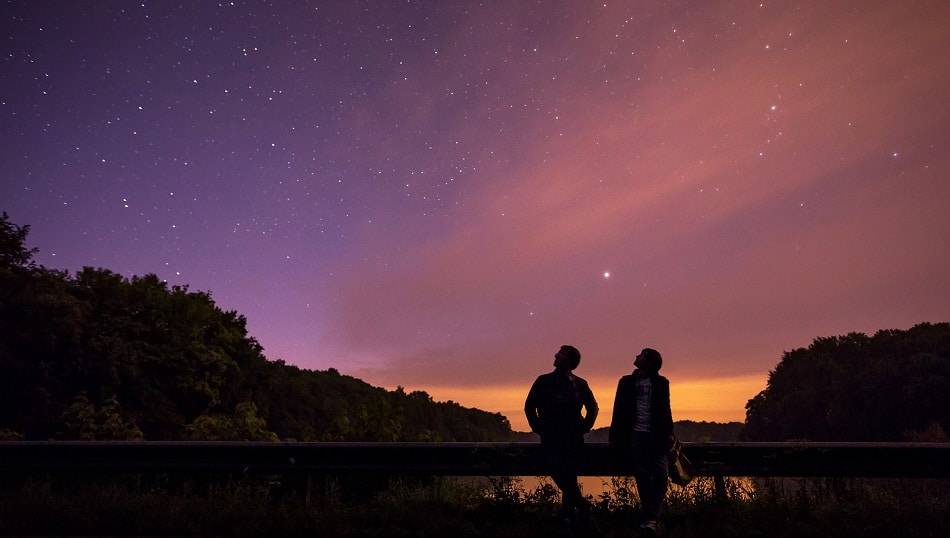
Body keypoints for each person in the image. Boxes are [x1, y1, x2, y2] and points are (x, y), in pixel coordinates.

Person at [524, 344, 599, 526]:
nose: (556, 355)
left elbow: (593, 407)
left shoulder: (580, 384)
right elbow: (529, 407)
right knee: (555, 466)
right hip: (550, 435)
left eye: (562, 353)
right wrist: (538, 427)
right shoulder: (543, 381)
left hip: (573, 436)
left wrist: (585, 427)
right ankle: (582, 505)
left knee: (570, 472)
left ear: (571, 361)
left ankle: (567, 515)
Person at [608, 348, 675, 535]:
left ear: (650, 362)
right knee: (643, 477)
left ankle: (650, 518)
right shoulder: (626, 382)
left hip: (657, 436)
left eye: (642, 355)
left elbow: (666, 409)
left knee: (661, 475)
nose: (637, 356)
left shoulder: (662, 383)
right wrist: (614, 436)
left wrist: (669, 432)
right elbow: (618, 410)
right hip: (636, 435)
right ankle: (651, 520)